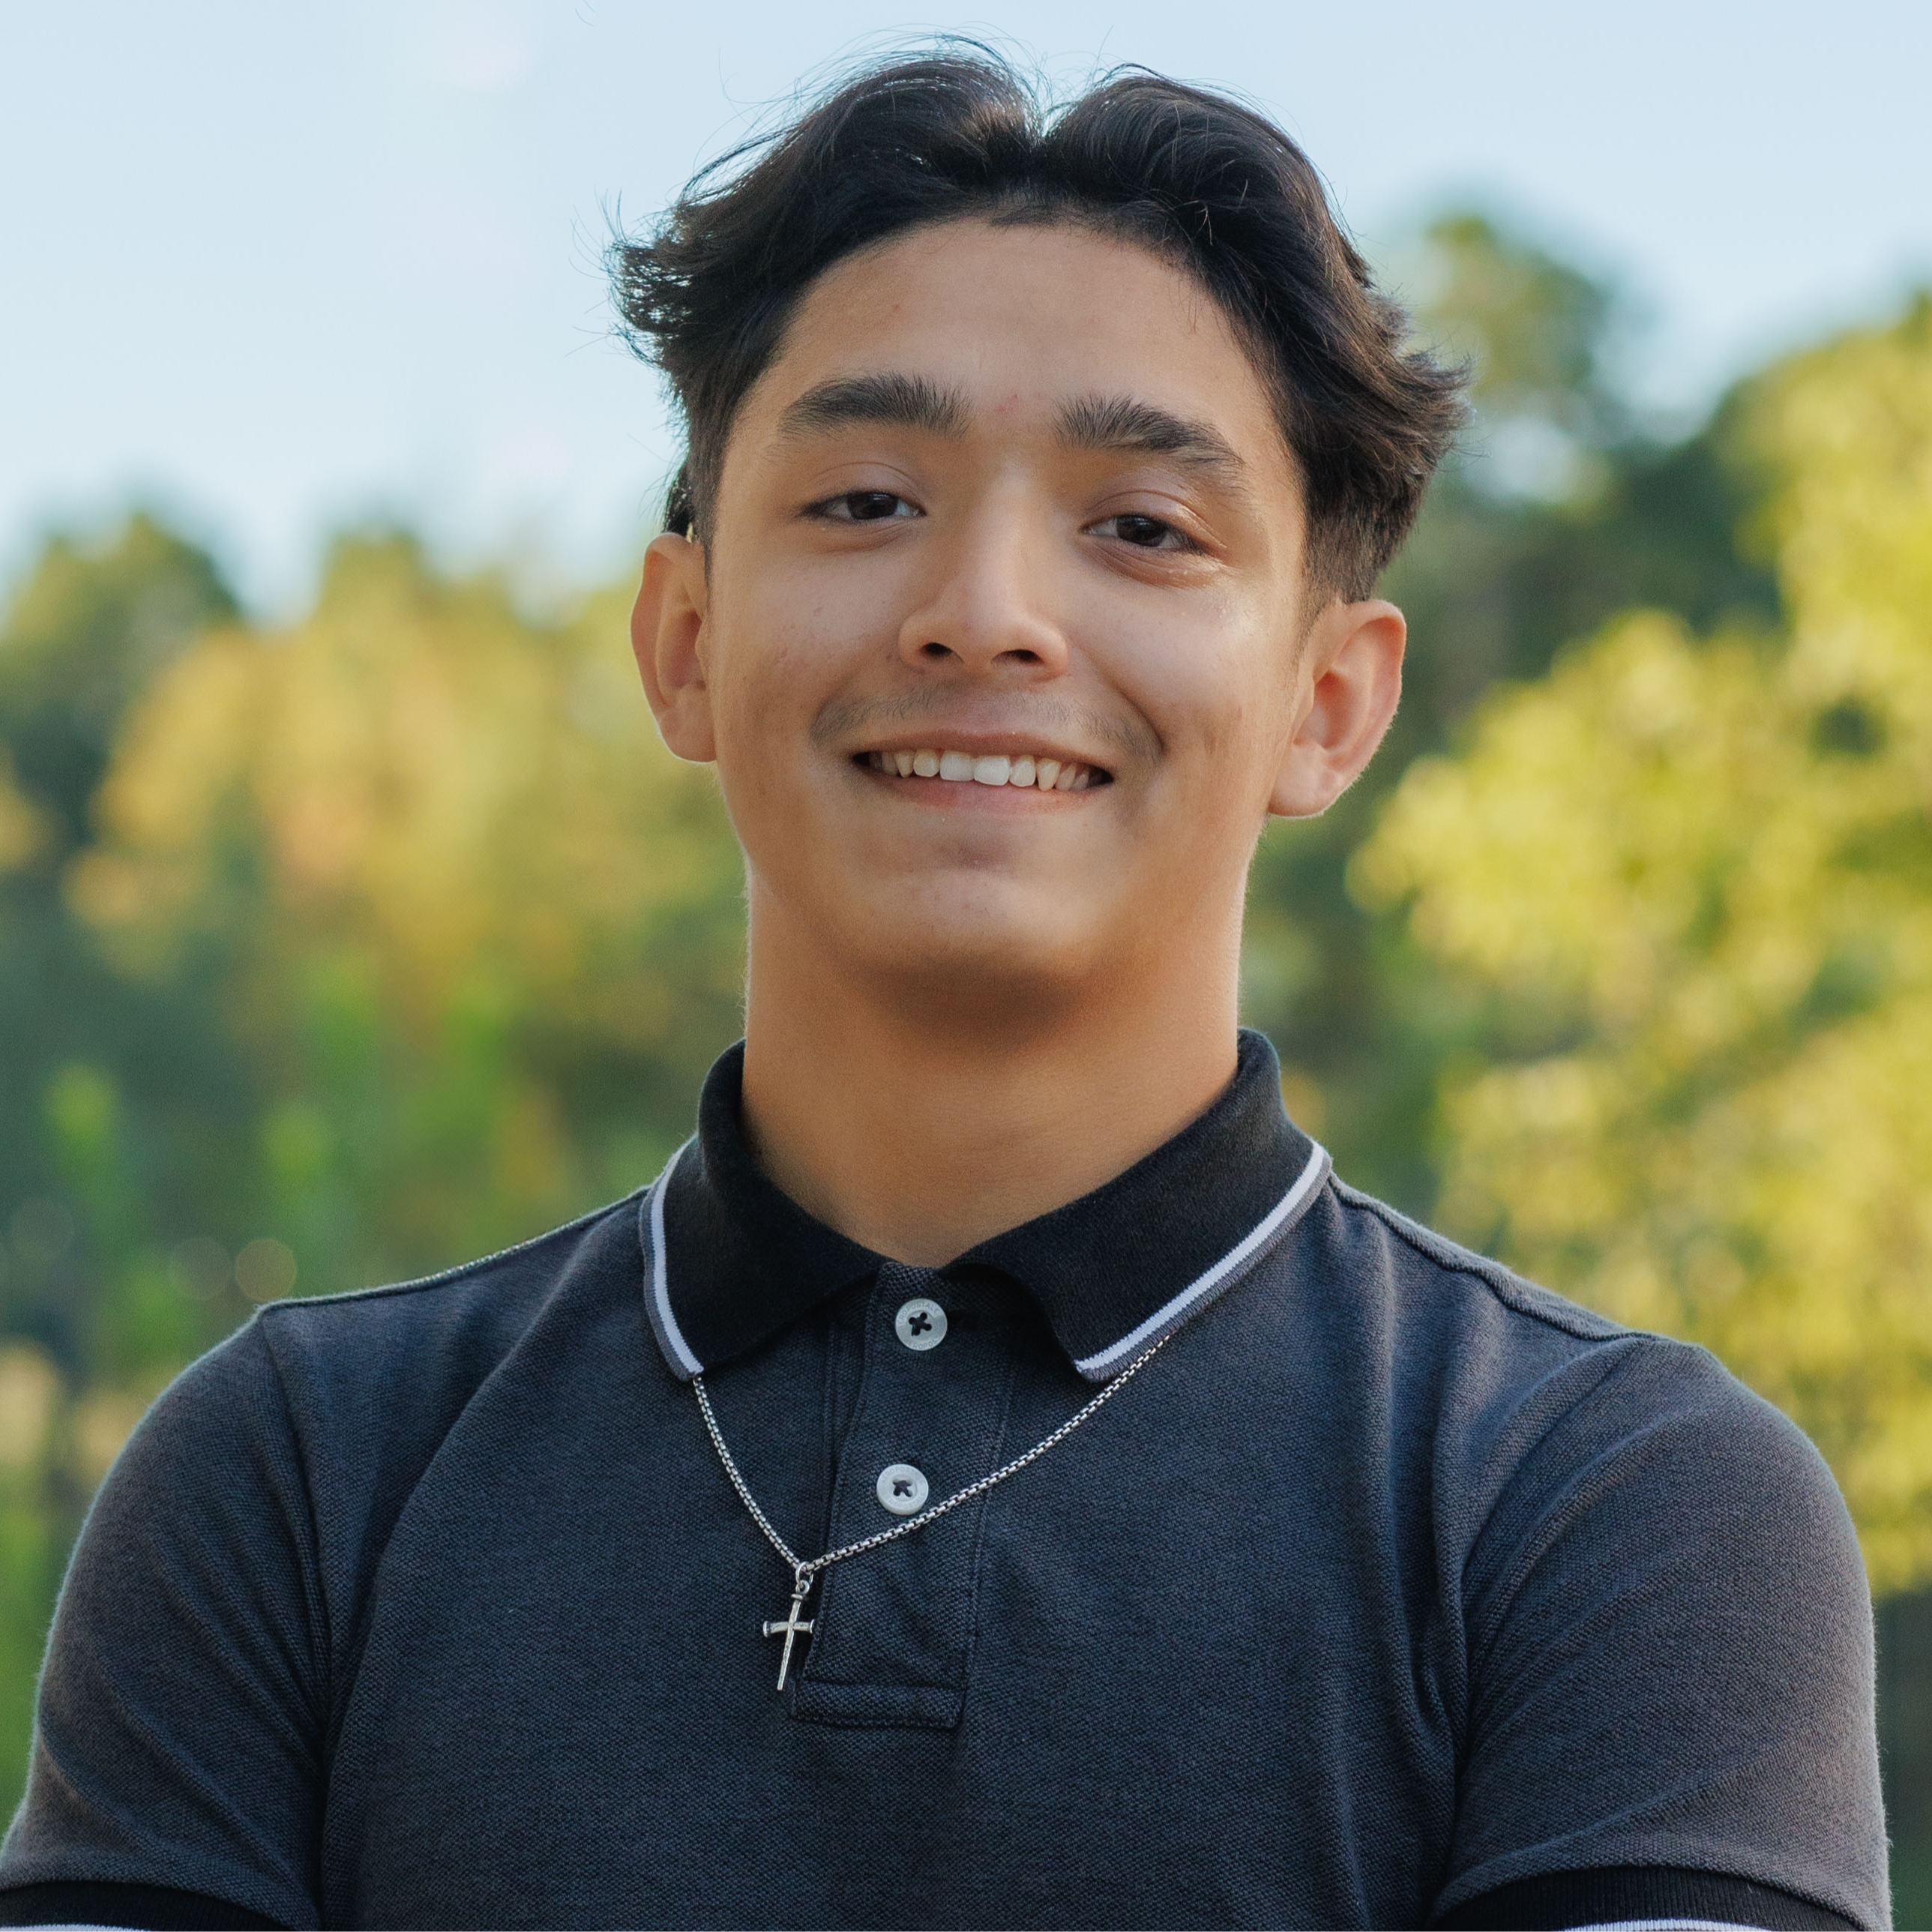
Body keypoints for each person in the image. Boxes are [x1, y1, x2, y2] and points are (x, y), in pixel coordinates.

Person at [0, 48, 1886, 1932]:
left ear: (1330, 703)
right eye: (864, 499)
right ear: (682, 638)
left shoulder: (1612, 1506)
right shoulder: (298, 1477)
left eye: (1142, 526)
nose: (982, 607)